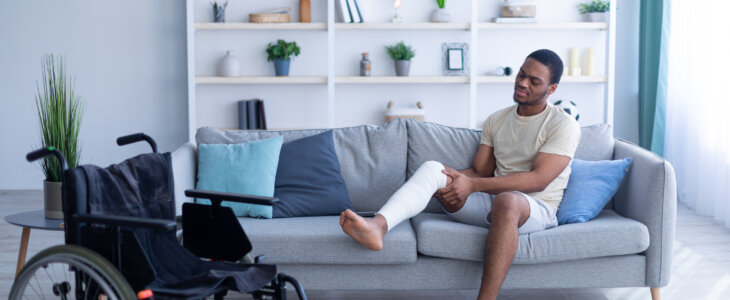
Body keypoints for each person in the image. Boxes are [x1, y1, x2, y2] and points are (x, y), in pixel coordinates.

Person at [339, 49, 581, 300]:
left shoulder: (562, 125)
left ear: (551, 89)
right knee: (435, 168)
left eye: (534, 80)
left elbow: (538, 179)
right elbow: (479, 171)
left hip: (535, 208)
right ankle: (377, 227)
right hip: (492, 200)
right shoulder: (497, 120)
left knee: (508, 200)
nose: (522, 82)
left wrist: (473, 185)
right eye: (521, 74)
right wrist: (451, 180)